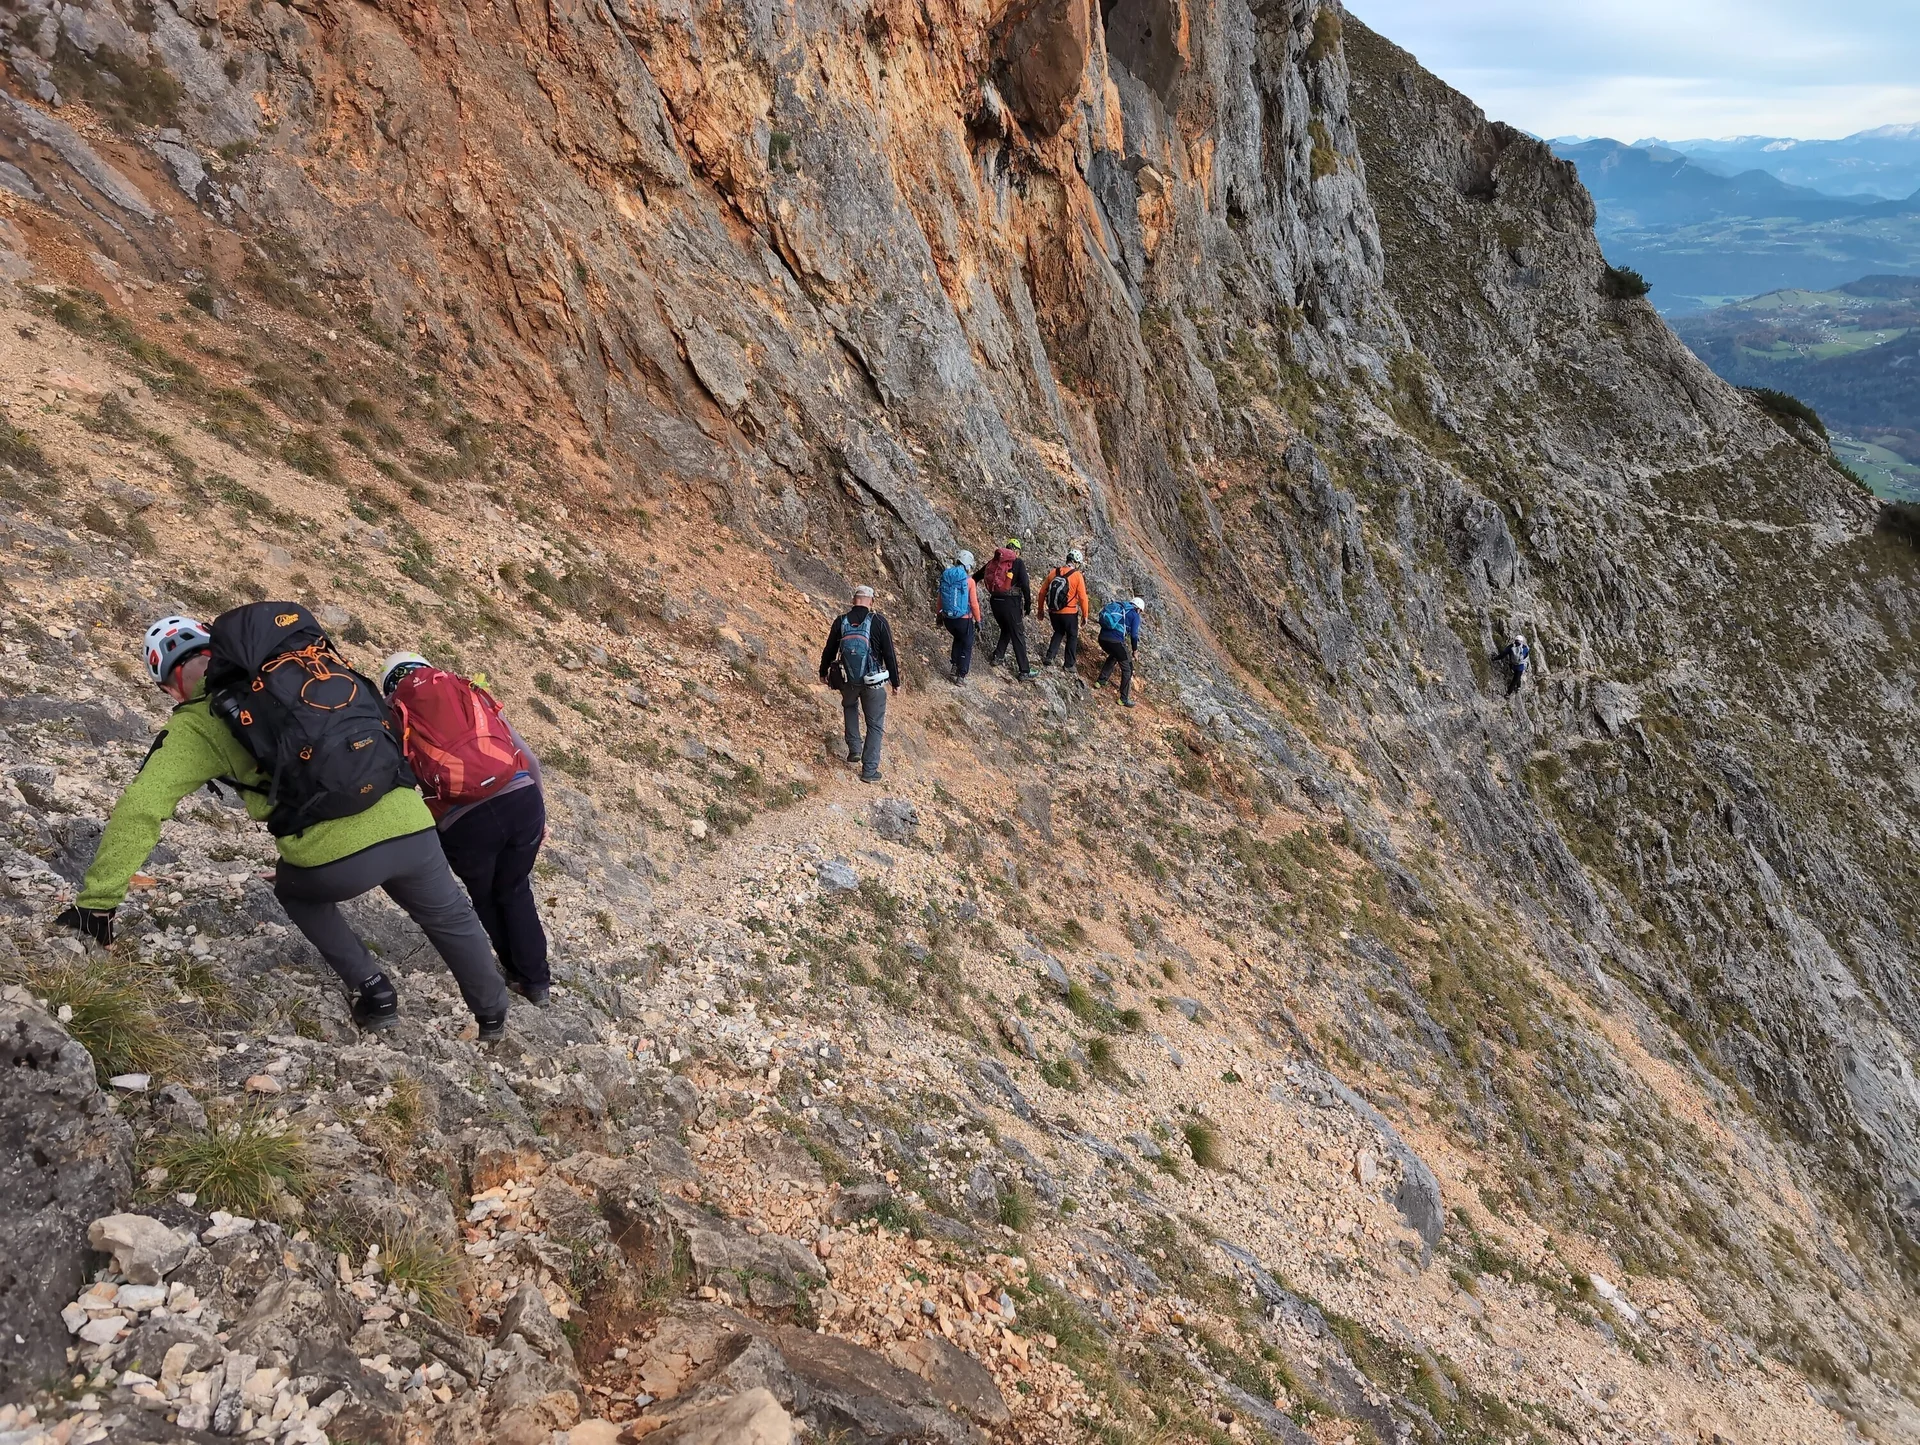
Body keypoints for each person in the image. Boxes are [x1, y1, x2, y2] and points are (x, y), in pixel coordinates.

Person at [56, 609, 513, 1039]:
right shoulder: (294, 675)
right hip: (409, 821)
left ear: (171, 686)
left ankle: (373, 991)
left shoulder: (197, 724)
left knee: (294, 891)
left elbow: (141, 807)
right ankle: (492, 1016)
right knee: (449, 913)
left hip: (331, 858)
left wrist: (98, 903)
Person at [380, 652, 551, 1007]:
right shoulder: (466, 691)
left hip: (463, 823)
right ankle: (537, 981)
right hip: (521, 801)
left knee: (486, 897)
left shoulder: (396, 715)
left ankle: (515, 975)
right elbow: (529, 759)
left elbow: (402, 784)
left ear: (390, 689)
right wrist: (541, 815)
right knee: (516, 889)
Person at [817, 584, 901, 783]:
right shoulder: (878, 621)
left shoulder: (841, 621)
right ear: (871, 601)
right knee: (875, 725)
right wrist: (895, 681)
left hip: (848, 680)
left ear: (854, 600)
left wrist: (823, 672)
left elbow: (829, 650)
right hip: (873, 682)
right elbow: (889, 653)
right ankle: (869, 770)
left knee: (849, 706)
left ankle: (854, 748)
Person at [975, 538, 1037, 679]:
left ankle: (998, 656)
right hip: (1010, 602)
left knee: (1007, 629)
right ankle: (1024, 671)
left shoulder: (995, 563)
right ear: (1017, 551)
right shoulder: (1018, 562)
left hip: (995, 602)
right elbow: (1026, 585)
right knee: (1018, 634)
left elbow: (977, 576)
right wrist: (1028, 605)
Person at [935, 550, 982, 683]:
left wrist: (939, 615)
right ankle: (961, 675)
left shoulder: (946, 576)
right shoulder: (970, 582)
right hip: (964, 619)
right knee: (966, 644)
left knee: (957, 638)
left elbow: (940, 598)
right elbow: (974, 603)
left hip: (948, 620)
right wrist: (978, 620)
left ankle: (954, 666)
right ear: (968, 565)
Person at [1039, 548, 1091, 670]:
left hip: (1054, 611)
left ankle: (1050, 656)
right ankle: (1069, 664)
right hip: (1069, 613)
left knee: (1058, 631)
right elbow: (1083, 598)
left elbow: (1042, 593)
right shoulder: (1077, 576)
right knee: (1072, 636)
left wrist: (1040, 610)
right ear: (1076, 563)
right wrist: (1085, 615)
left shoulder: (1054, 572)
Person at [1096, 595, 1146, 707]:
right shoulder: (1135, 615)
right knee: (1128, 668)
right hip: (1115, 641)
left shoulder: (1121, 608)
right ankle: (1123, 699)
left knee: (1114, 655)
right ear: (1138, 608)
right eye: (1141, 611)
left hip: (1102, 638)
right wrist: (1135, 650)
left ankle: (1100, 681)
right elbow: (1134, 635)